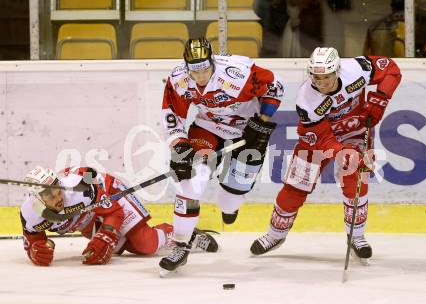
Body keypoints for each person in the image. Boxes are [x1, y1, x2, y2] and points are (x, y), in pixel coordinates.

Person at [250, 47, 401, 262]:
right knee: (295, 188)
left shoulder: (357, 69)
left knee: (355, 181)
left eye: (327, 77)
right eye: (317, 77)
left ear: (337, 71)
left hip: (355, 133)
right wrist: (340, 152)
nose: (322, 82)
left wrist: (380, 99)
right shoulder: (306, 100)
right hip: (316, 140)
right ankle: (275, 235)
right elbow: (322, 137)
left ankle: (356, 237)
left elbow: (392, 70)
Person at [159, 37, 284, 274]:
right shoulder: (179, 79)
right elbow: (172, 113)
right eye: (195, 72)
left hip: (249, 132)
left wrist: (262, 120)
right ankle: (181, 246)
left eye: (205, 69)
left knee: (230, 201)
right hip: (207, 128)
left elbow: (275, 86)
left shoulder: (238, 73)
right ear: (187, 67)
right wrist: (180, 146)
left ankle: (230, 205)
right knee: (191, 183)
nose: (201, 76)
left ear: (212, 61)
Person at [20, 166, 218, 266]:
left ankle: (185, 234)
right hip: (86, 216)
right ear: (37, 199)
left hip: (110, 193)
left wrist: (106, 235)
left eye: (57, 190)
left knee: (144, 243)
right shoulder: (30, 215)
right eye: (49, 195)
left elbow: (115, 211)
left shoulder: (80, 190)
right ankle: (172, 238)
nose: (57, 197)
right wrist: (37, 252)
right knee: (125, 248)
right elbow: (34, 242)